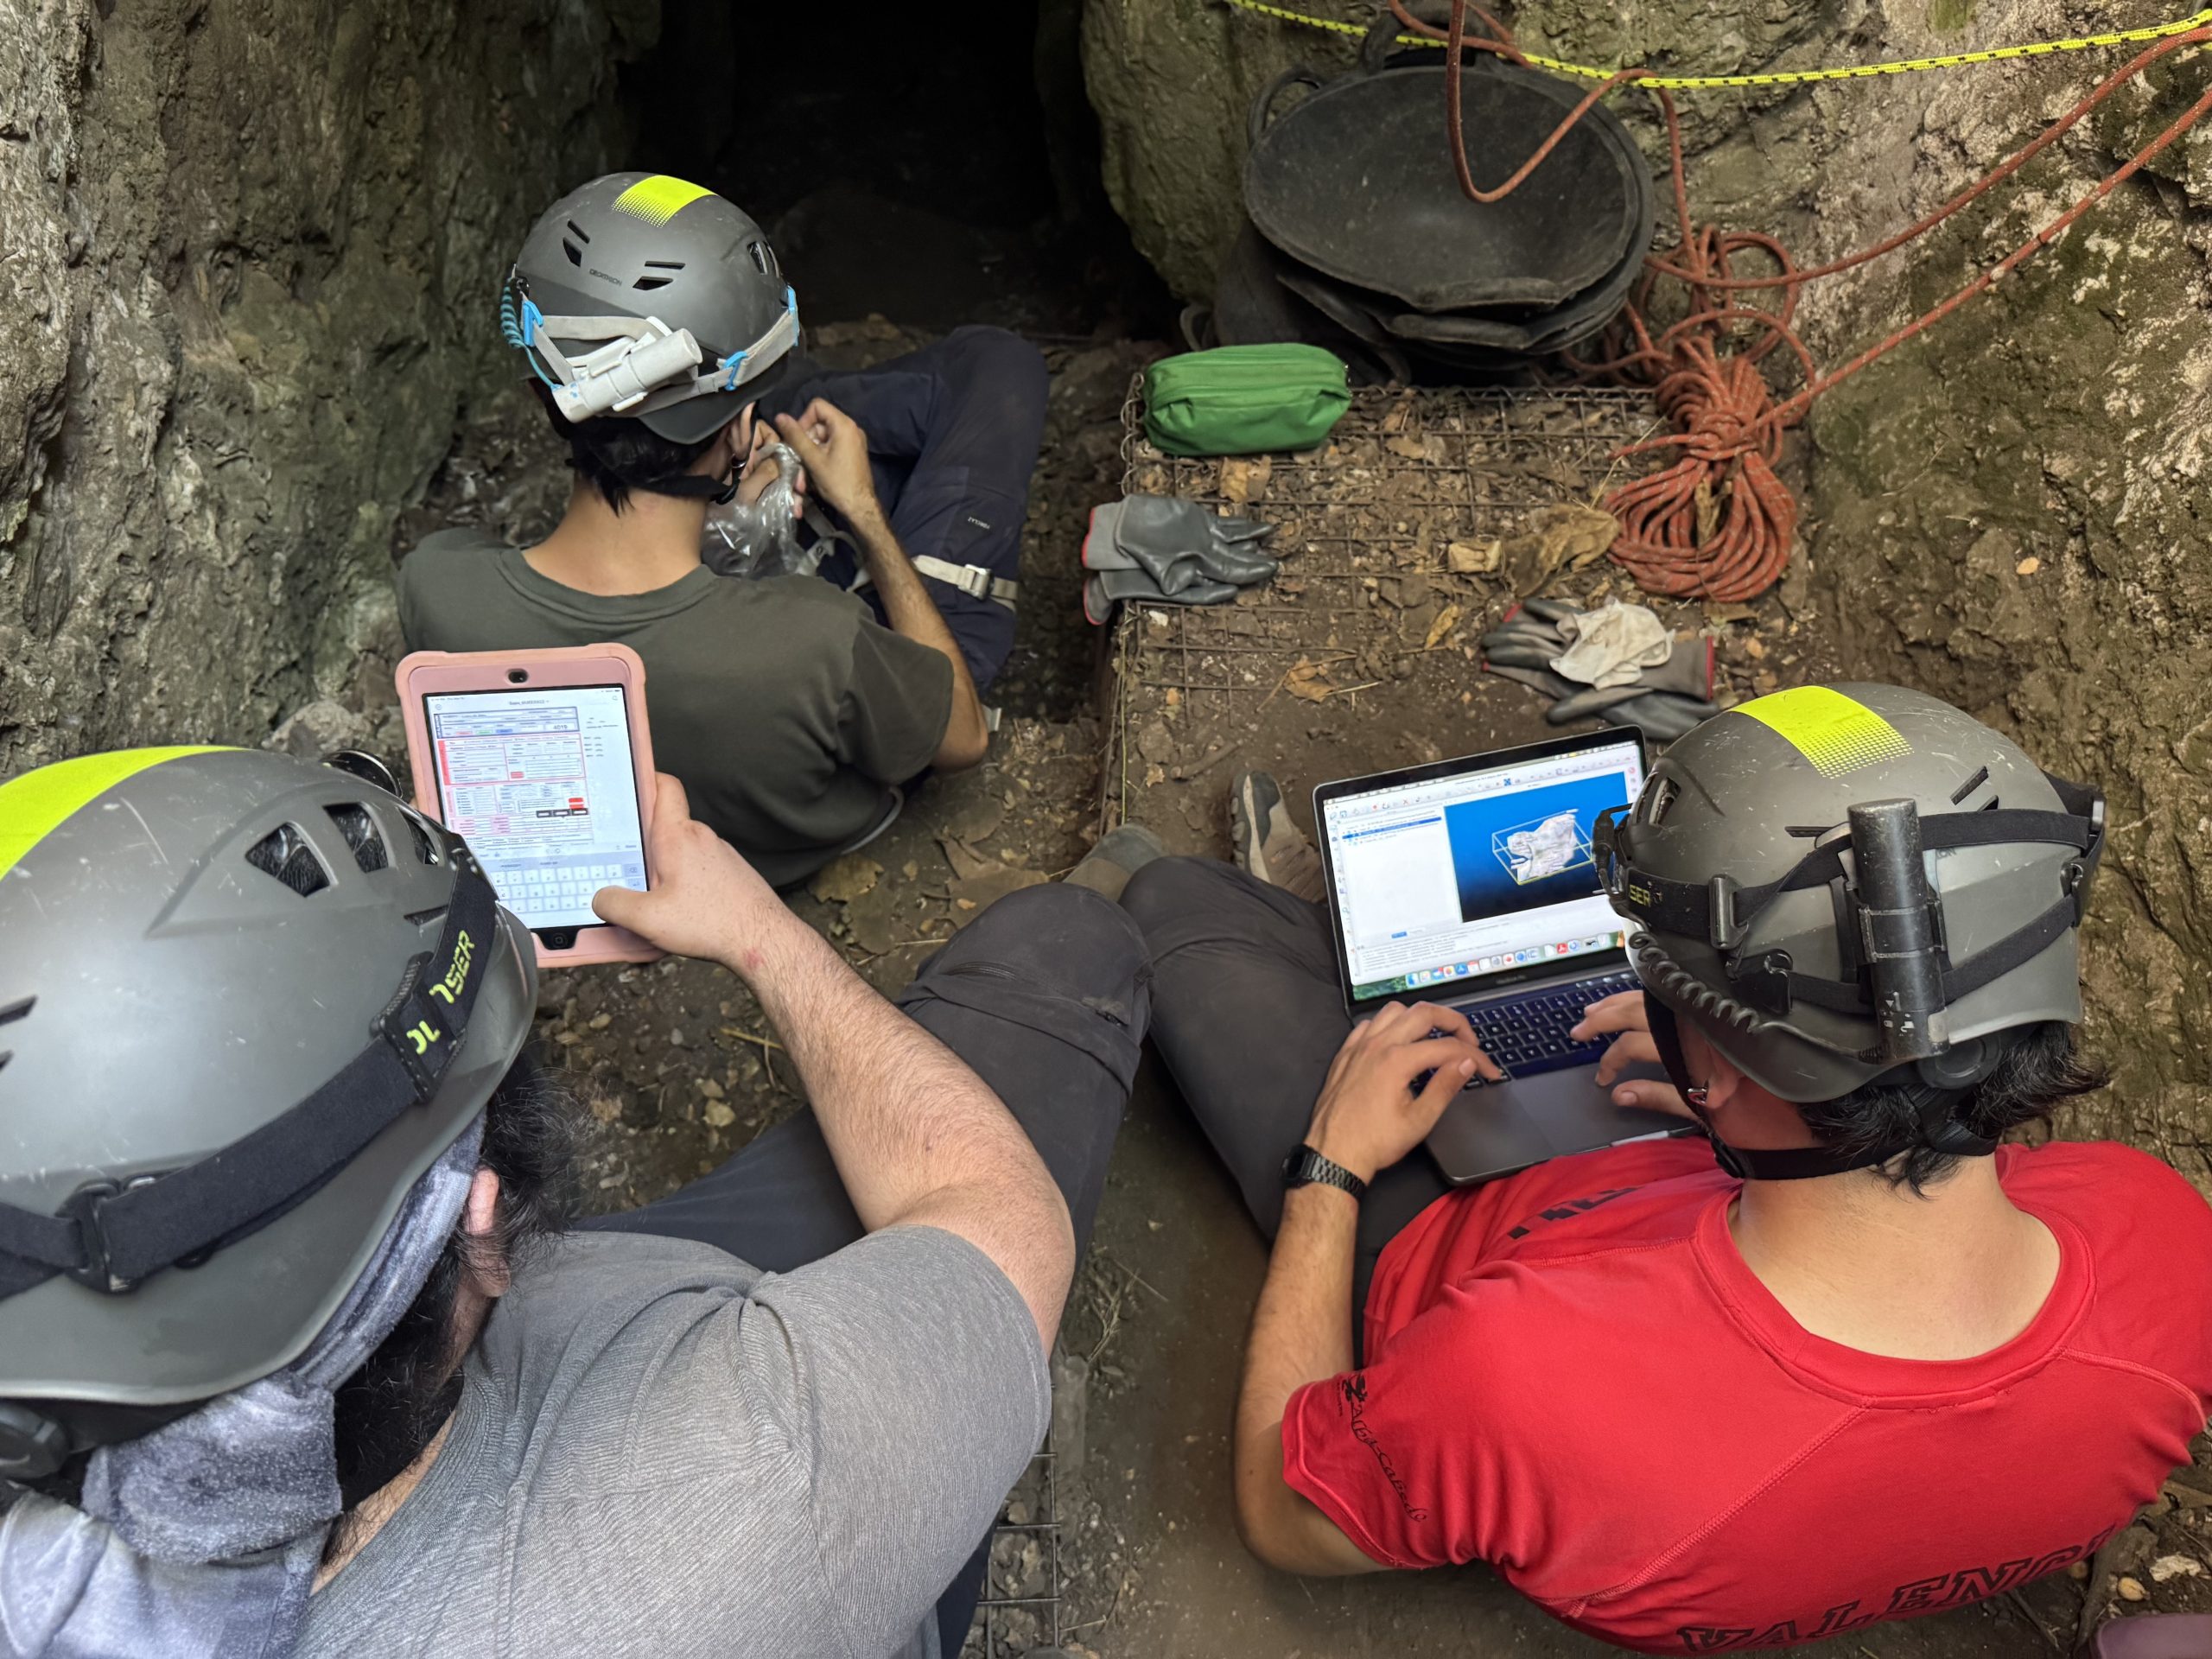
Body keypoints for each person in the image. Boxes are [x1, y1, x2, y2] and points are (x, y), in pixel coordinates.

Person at [1120, 684, 2212, 1653]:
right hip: (1729, 1146)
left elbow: (1281, 1516)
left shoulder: (1514, 1380)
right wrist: (1720, 1076)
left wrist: (1330, 1168)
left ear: (1727, 1070)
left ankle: (1319, 932)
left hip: (1448, 1235)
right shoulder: (2164, 1237)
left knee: (1178, 909)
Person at [0, 746, 1150, 1658]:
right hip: (713, 1481)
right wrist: (758, 930)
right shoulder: (752, 1479)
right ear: (482, 1221)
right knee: (1063, 945)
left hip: (510, 1372)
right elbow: (1002, 1222)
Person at [395, 171, 1049, 888]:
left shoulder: (439, 586)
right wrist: (863, 514)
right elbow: (962, 739)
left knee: (807, 395)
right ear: (741, 428)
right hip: (856, 697)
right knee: (999, 367)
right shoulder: (818, 639)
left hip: (745, 674)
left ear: (543, 396)